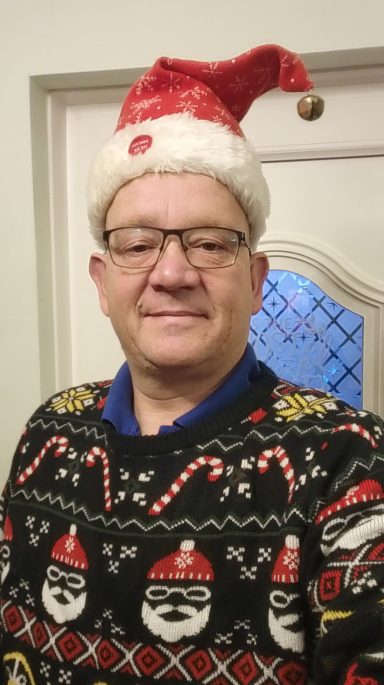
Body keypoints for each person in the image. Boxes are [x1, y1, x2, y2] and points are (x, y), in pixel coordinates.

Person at [1, 44, 384, 685]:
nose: (172, 273)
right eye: (138, 243)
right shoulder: (49, 431)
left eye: (210, 243)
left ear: (256, 280)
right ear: (103, 281)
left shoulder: (348, 460)